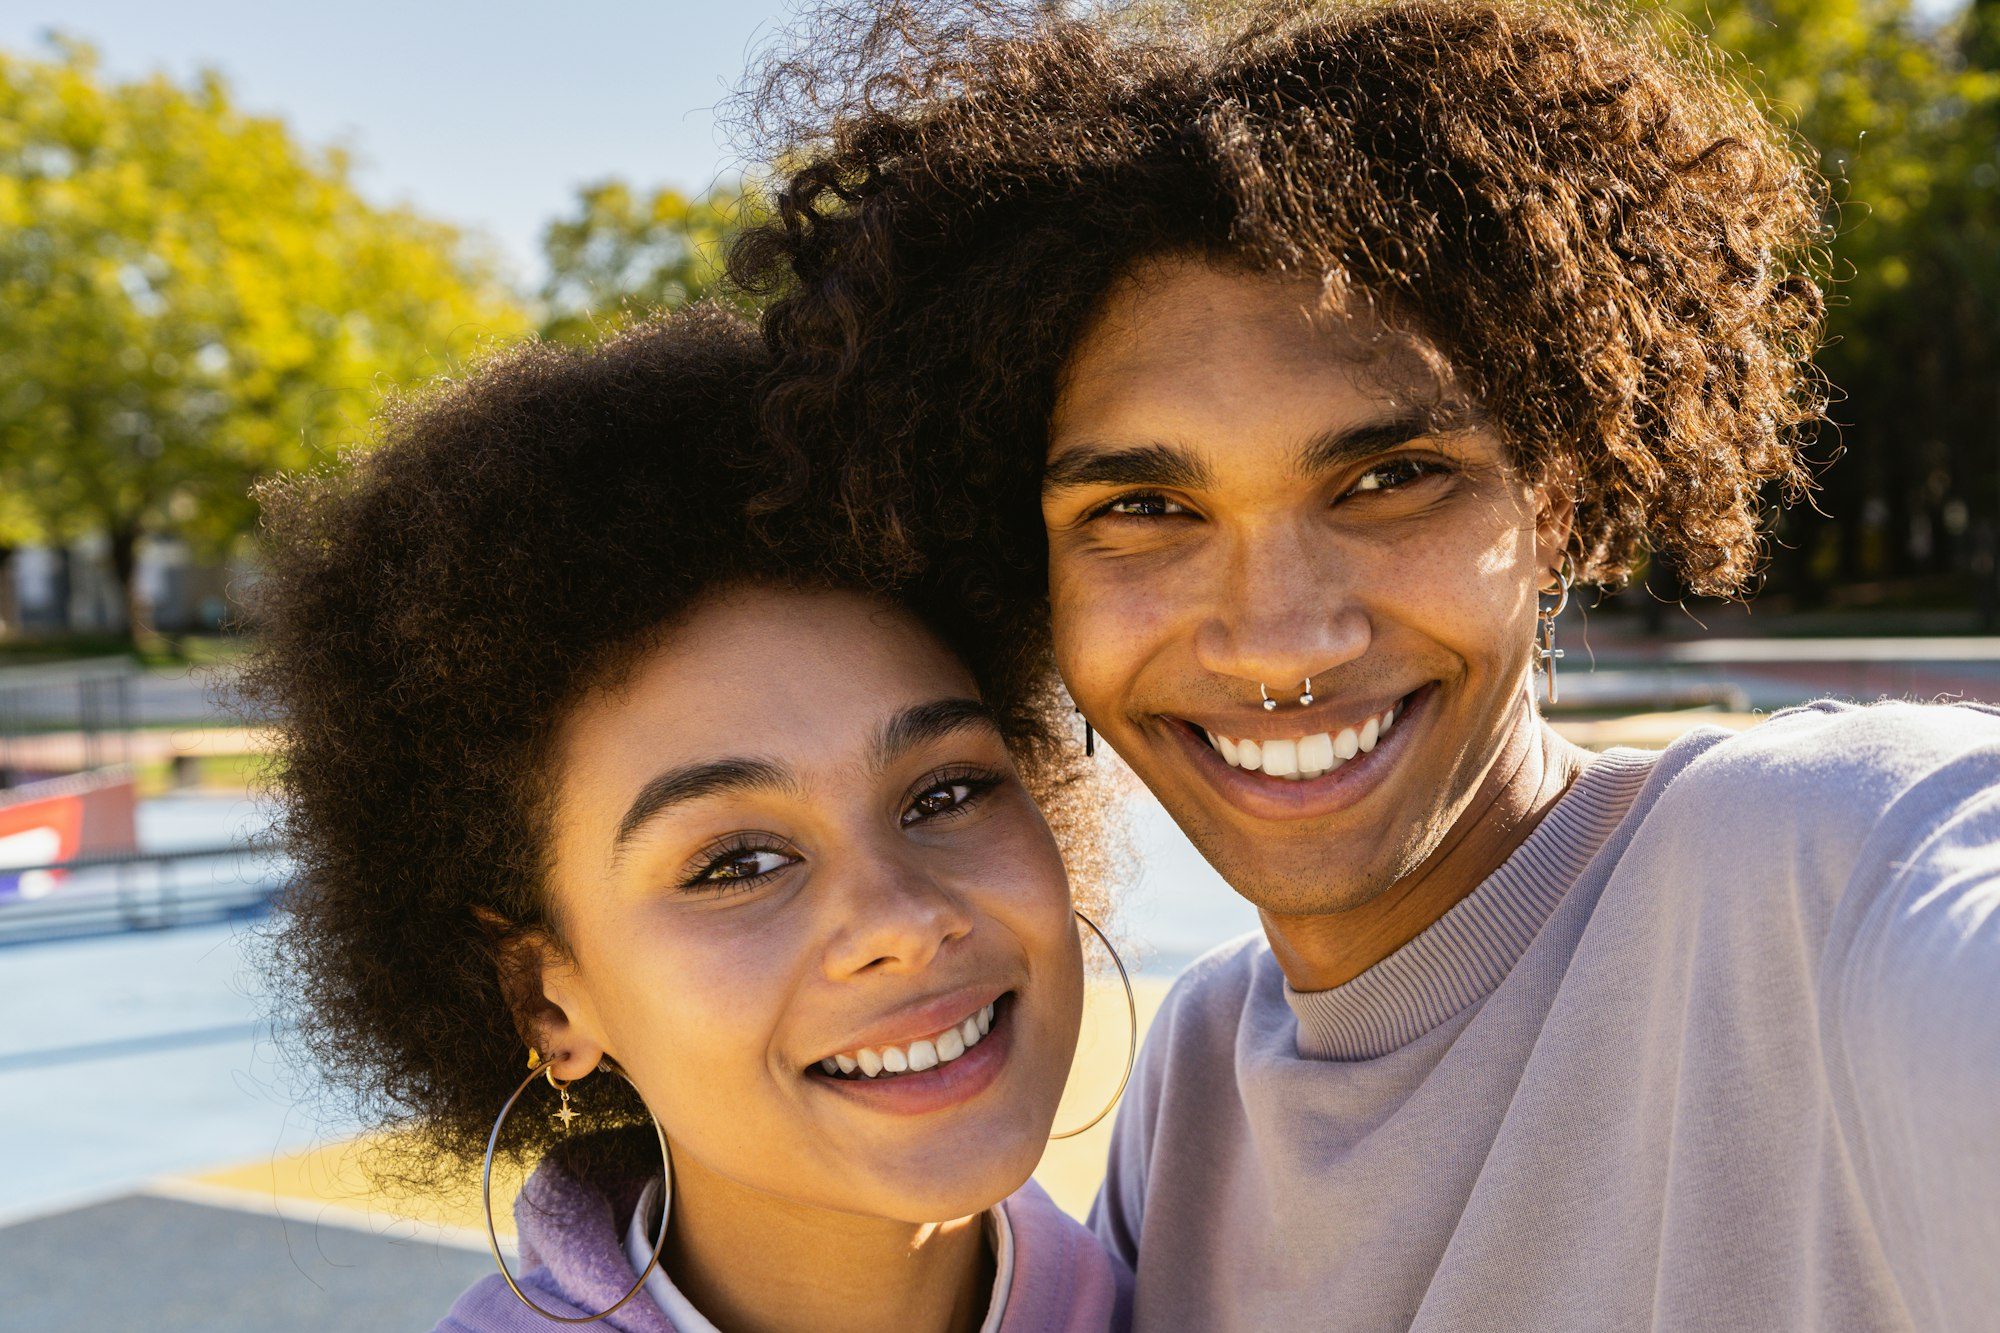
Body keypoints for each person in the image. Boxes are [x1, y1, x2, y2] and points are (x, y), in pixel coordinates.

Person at [730, 1, 2000, 1328]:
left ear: (1554, 491)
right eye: (1144, 511)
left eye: (1391, 479)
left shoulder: (1834, 868)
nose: (1279, 634)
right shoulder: (1198, 1084)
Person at [244, 306, 1126, 1332]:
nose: (899, 918)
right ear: (544, 1000)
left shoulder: (1208, 1284)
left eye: (945, 793)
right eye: (736, 862)